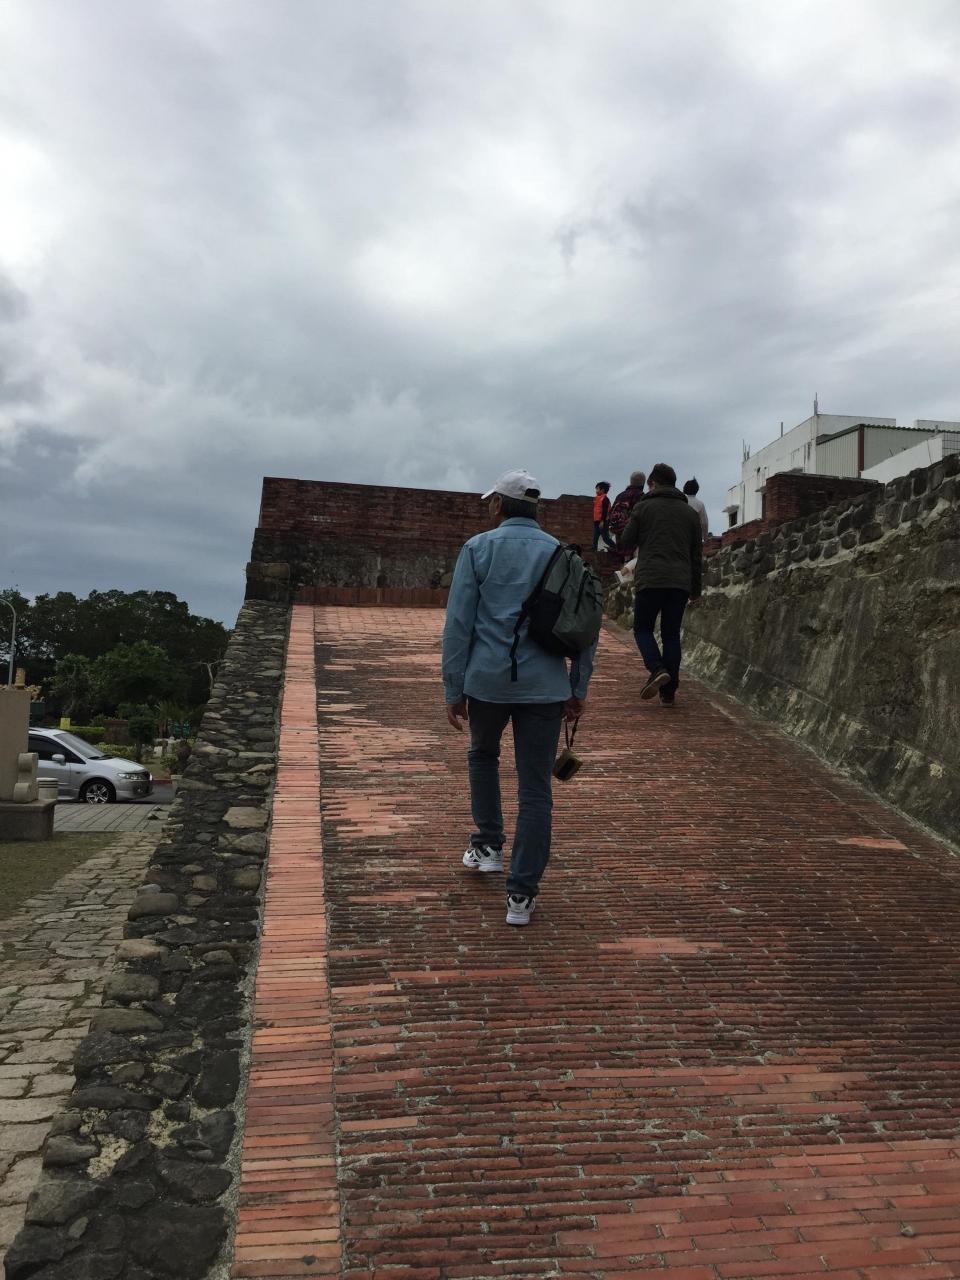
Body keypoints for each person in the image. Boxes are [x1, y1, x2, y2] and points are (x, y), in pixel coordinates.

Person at [442, 469, 595, 926]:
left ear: (498, 505)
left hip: (487, 681)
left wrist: (453, 687)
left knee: (482, 755)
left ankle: (488, 844)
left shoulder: (478, 548)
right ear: (536, 508)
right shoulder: (562, 554)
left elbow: (458, 624)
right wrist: (578, 687)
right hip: (545, 686)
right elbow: (586, 627)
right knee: (535, 788)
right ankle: (521, 895)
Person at [619, 462, 702, 707]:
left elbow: (626, 540)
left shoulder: (644, 507)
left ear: (652, 484)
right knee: (671, 635)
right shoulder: (690, 514)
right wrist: (696, 589)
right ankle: (668, 692)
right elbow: (696, 555)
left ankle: (656, 669)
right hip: (680, 582)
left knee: (642, 629)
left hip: (650, 578)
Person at [606, 471, 647, 560]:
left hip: (619, 535)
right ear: (643, 483)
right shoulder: (641, 496)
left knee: (623, 563)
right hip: (633, 537)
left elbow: (611, 514)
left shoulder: (620, 496)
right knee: (632, 564)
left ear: (630, 481)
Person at [592, 481, 615, 551]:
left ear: (602, 490)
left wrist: (602, 521)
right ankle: (594, 550)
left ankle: (615, 547)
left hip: (603, 522)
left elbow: (605, 511)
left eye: (597, 489)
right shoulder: (597, 499)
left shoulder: (605, 499)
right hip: (596, 521)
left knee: (605, 538)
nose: (596, 491)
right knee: (595, 537)